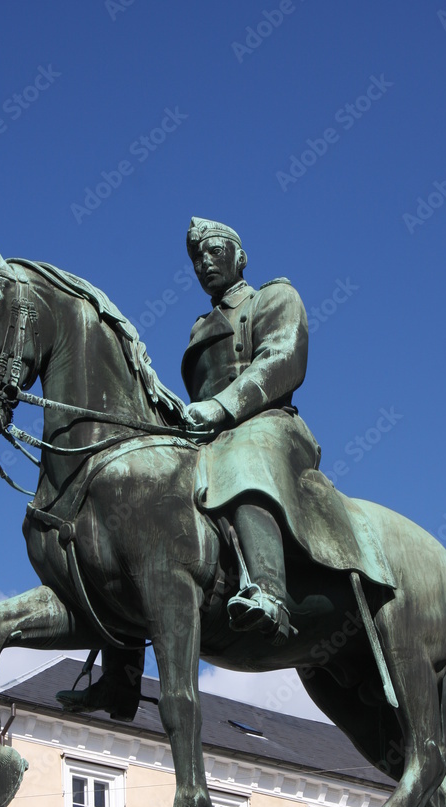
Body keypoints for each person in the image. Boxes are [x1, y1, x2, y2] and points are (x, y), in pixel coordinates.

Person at [182, 217, 319, 644]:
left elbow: (283, 359)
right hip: (211, 434)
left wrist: (222, 408)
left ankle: (269, 593)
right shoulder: (198, 327)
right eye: (196, 257)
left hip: (270, 426)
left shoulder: (274, 297)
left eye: (214, 251)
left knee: (241, 454)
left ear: (240, 257)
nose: (204, 262)